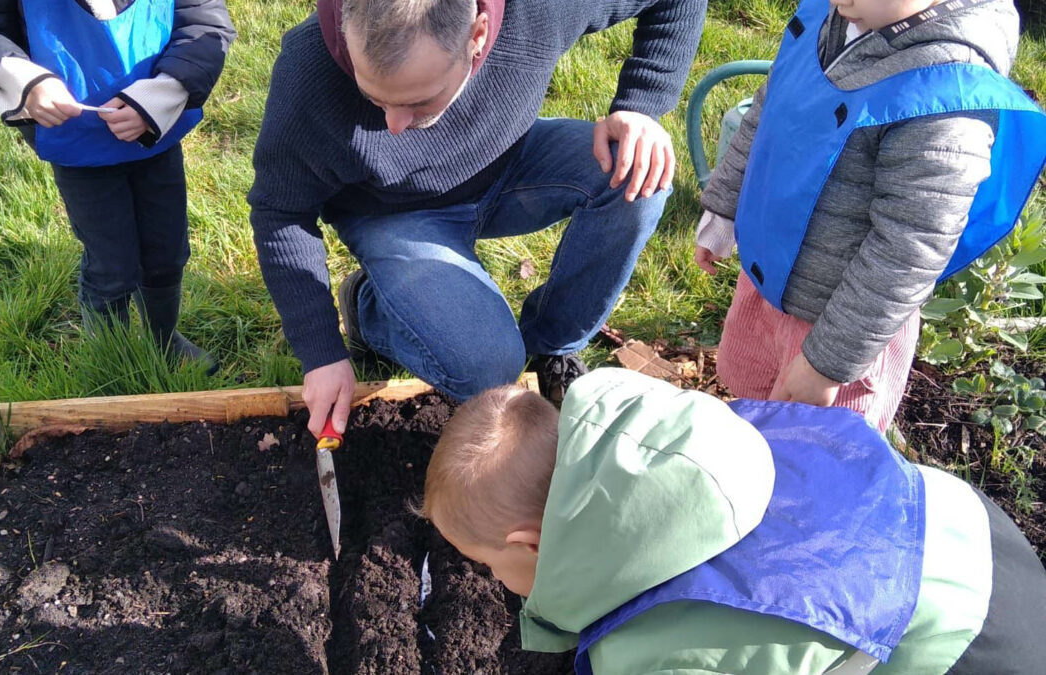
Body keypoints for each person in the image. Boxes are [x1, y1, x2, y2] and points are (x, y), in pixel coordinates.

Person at [248, 0, 707, 440]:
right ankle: (370, 306)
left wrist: (641, 106)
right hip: (393, 212)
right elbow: (281, 211)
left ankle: (554, 345)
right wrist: (321, 352)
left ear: (478, 35)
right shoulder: (310, 66)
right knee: (488, 370)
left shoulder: (538, 10)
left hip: (505, 164)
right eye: (372, 96)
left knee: (639, 179)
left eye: (420, 102)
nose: (392, 124)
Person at [420, 367, 1046, 675]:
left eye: (487, 565)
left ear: (527, 545)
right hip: (969, 530)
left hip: (969, 653)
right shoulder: (681, 444)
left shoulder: (648, 652)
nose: (492, 582)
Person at [693, 0, 1046, 430]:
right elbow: (771, 106)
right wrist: (725, 208)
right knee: (756, 413)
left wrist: (827, 363)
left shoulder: (944, 96)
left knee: (815, 456)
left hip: (843, 323)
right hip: (769, 282)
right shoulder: (839, 14)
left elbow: (908, 248)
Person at [0, 0, 236, 371]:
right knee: (112, 265)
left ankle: (163, 338)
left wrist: (164, 93)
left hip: (156, 130)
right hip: (77, 143)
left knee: (167, 250)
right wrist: (20, 77)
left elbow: (204, 21)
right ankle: (112, 356)